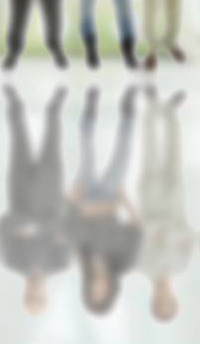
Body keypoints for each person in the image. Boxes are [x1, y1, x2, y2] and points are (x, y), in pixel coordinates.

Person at [0, 85, 72, 316]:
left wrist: (37, 227)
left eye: (30, 297)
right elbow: (65, 225)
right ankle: (54, 107)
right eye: (39, 298)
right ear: (45, 295)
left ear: (25, 293)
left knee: (18, 141)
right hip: (50, 190)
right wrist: (32, 227)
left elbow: (4, 225)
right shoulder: (61, 262)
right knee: (52, 142)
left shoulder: (12, 261)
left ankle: (14, 102)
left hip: (20, 189)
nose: (35, 293)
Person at [67, 87, 141, 315]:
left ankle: (90, 109)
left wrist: (73, 198)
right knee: (123, 155)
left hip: (86, 198)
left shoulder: (79, 257)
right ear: (111, 291)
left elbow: (70, 219)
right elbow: (137, 226)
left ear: (86, 290)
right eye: (103, 294)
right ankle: (128, 109)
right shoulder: (125, 262)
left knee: (86, 154)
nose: (98, 288)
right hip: (110, 200)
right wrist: (124, 198)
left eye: (93, 293)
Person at [136, 86, 193, 323]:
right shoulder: (182, 265)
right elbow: (188, 234)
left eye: (159, 304)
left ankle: (151, 107)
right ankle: (170, 111)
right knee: (174, 152)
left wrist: (162, 232)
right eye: (168, 303)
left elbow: (141, 232)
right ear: (174, 299)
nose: (163, 299)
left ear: (152, 300)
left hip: (150, 199)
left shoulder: (142, 265)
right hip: (175, 200)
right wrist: (165, 232)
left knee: (150, 151)